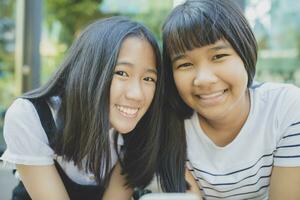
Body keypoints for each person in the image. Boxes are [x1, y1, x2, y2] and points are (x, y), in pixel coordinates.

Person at [0, 16, 165, 200]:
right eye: (121, 73)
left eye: (148, 79)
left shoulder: (140, 130)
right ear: (89, 69)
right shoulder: (31, 116)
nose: (137, 94)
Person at [161, 0, 300, 199]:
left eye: (218, 56)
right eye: (184, 64)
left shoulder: (286, 108)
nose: (203, 79)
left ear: (245, 52)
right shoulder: (169, 125)